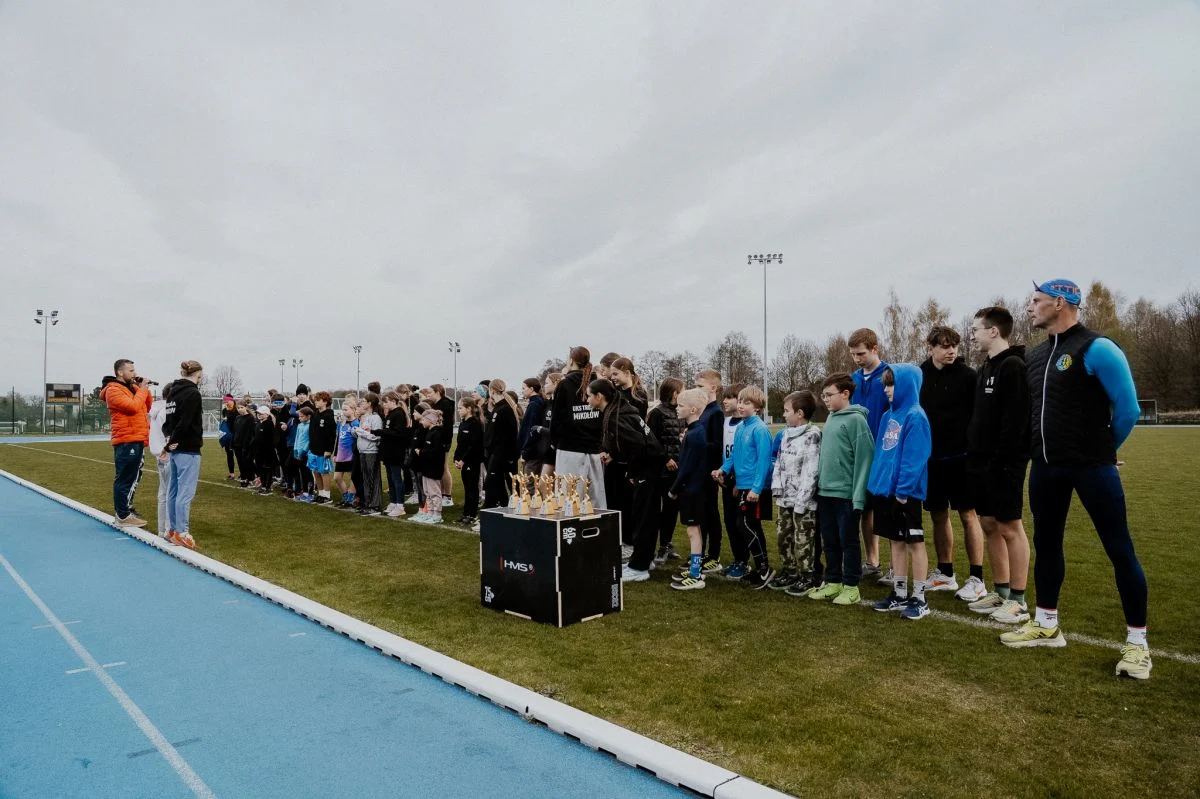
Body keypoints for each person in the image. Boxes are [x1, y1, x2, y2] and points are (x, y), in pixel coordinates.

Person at [1001, 279, 1150, 680]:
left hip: (1092, 468)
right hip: (1046, 468)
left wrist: (1103, 450)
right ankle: (1047, 624)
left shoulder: (1097, 347)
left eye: (1036, 301)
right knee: (1048, 545)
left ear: (1061, 302)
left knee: (1120, 550)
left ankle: (1138, 645)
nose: (1030, 308)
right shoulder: (1034, 358)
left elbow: (1128, 409)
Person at [965, 306, 1033, 622]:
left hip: (1004, 464)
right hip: (979, 463)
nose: (972, 335)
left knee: (1010, 527)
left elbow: (1016, 422)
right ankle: (1001, 592)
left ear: (994, 331)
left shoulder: (1014, 366)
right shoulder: (985, 368)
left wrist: (1001, 461)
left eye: (976, 329)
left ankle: (1018, 600)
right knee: (988, 524)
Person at [918, 326, 985, 595]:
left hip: (963, 459)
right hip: (932, 460)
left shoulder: (970, 377)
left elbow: (979, 416)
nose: (951, 350)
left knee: (968, 515)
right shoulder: (920, 376)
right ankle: (945, 573)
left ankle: (977, 578)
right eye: (944, 346)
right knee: (938, 515)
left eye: (954, 345)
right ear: (930, 347)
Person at [868, 365, 934, 620]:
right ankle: (899, 592)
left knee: (914, 542)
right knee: (895, 541)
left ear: (906, 385)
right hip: (885, 491)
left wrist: (903, 492)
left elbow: (914, 458)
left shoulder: (916, 416)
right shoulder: (887, 416)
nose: (886, 390)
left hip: (906, 494)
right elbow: (883, 455)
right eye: (885, 385)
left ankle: (919, 597)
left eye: (891, 384)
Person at [588, 379, 663, 583]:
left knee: (644, 516)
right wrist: (614, 454)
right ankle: (643, 560)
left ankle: (640, 567)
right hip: (648, 466)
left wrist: (632, 472)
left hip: (648, 469)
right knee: (641, 515)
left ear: (599, 397)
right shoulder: (620, 409)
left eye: (589, 395)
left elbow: (639, 445)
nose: (587, 400)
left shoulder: (617, 415)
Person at [809, 373, 874, 606]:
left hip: (846, 495)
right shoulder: (831, 417)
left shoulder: (856, 420)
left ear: (845, 394)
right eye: (823, 395)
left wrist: (858, 497)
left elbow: (864, 460)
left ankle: (851, 586)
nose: (825, 400)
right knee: (830, 540)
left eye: (829, 395)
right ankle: (833, 581)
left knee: (848, 541)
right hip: (825, 493)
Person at [714, 385, 775, 589]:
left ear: (757, 407)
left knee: (748, 525)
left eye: (746, 403)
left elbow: (764, 462)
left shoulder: (760, 429)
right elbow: (733, 456)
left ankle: (764, 568)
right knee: (744, 525)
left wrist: (756, 489)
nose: (740, 406)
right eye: (740, 401)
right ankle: (761, 567)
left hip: (754, 489)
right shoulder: (741, 427)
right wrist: (722, 469)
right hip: (742, 486)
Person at [769, 390, 823, 595]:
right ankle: (789, 571)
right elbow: (779, 463)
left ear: (799, 413)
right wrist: (777, 488)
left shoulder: (813, 435)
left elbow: (811, 470)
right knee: (783, 537)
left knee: (803, 540)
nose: (783, 414)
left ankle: (807, 576)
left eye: (786, 411)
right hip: (785, 498)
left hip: (804, 502)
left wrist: (803, 500)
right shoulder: (785, 434)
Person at [848, 328, 889, 580]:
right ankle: (872, 561)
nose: (857, 358)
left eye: (861, 353)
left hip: (883, 453)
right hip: (858, 453)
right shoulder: (853, 378)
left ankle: (895, 567)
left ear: (875, 349)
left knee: (887, 509)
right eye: (853, 354)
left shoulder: (889, 375)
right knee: (864, 508)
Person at [550, 347, 606, 509]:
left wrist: (555, 441)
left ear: (571, 361)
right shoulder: (599, 383)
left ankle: (570, 533)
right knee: (595, 500)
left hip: (569, 449)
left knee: (568, 499)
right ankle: (598, 532)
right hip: (593, 448)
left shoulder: (565, 384)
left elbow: (556, 418)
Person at [100, 359, 153, 527]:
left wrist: (144, 389)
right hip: (126, 439)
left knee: (133, 477)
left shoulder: (131, 388)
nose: (135, 373)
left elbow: (147, 406)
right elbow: (132, 407)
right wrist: (142, 390)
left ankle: (126, 510)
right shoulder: (113, 390)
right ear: (120, 373)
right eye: (131, 370)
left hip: (136, 438)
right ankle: (123, 515)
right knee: (125, 478)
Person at [668, 388, 710, 591]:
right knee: (694, 530)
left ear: (693, 409)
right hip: (692, 489)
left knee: (693, 531)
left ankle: (696, 575)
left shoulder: (695, 434)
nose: (677, 409)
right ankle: (696, 569)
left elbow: (687, 467)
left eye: (681, 406)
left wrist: (674, 488)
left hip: (693, 490)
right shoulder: (694, 431)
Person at [162, 360, 204, 549]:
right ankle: (182, 532)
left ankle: (172, 530)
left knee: (173, 491)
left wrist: (169, 442)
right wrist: (171, 442)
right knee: (185, 493)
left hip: (176, 448)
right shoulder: (193, 393)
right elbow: (185, 422)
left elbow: (168, 423)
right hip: (188, 448)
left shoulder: (172, 392)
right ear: (198, 375)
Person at [647, 377, 683, 565]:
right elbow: (652, 441)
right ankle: (654, 548)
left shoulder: (679, 413)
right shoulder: (657, 413)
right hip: (660, 470)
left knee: (671, 509)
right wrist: (665, 458)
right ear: (673, 392)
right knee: (658, 511)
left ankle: (666, 544)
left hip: (676, 470)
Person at [694, 369, 726, 575]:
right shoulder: (702, 410)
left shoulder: (716, 413)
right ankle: (703, 553)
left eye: (700, 386)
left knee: (711, 513)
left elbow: (717, 444)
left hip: (709, 471)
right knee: (702, 514)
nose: (697, 390)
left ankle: (714, 556)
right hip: (699, 469)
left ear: (713, 388)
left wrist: (697, 443)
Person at [717, 384, 749, 579]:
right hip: (727, 478)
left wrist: (738, 480)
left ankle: (745, 562)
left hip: (741, 480)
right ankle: (738, 559)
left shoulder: (744, 425)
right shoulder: (725, 422)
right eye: (725, 397)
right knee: (729, 521)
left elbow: (744, 456)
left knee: (741, 522)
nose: (725, 401)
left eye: (730, 397)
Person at [482, 379, 521, 509]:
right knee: (495, 482)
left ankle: (518, 508)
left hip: (503, 454)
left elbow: (510, 435)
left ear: (492, 390)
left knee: (507, 483)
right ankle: (503, 507)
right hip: (496, 452)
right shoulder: (498, 408)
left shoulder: (505, 409)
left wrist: (511, 456)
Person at [378, 391, 412, 518]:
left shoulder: (399, 414)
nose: (384, 404)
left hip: (396, 451)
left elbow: (398, 433)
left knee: (397, 478)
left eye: (386, 402)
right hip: (388, 451)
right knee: (391, 479)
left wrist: (380, 432)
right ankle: (393, 502)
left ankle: (400, 505)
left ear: (393, 401)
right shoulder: (391, 414)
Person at [453, 395, 485, 527]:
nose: (458, 410)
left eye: (460, 408)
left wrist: (464, 460)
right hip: (463, 462)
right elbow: (460, 444)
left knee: (472, 488)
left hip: (472, 461)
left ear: (469, 408)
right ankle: (466, 513)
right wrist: (456, 458)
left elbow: (474, 446)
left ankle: (472, 514)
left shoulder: (475, 424)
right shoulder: (463, 423)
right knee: (467, 488)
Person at [353, 392, 385, 516]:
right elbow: (362, 433)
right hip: (362, 451)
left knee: (373, 478)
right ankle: (368, 503)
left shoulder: (375, 418)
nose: (362, 403)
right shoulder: (364, 417)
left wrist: (361, 433)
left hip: (371, 451)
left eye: (365, 401)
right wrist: (356, 432)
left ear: (370, 404)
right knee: (365, 479)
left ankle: (375, 505)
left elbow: (376, 436)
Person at [412, 409, 446, 524]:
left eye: (423, 419)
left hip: (433, 469)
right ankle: (430, 512)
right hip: (426, 468)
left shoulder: (436, 434)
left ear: (430, 420)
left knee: (434, 492)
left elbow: (436, 452)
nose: (421, 422)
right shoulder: (429, 433)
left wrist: (421, 452)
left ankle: (437, 514)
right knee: (427, 491)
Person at [308, 391, 337, 504]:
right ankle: (320, 493)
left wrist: (329, 449)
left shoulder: (329, 415)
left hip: (323, 450)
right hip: (313, 449)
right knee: (316, 472)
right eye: (315, 400)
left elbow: (331, 435)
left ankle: (327, 495)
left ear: (325, 402)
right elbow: (311, 431)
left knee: (324, 472)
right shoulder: (315, 414)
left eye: (318, 400)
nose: (315, 402)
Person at [431, 384, 457, 508]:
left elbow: (446, 426)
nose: (429, 395)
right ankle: (441, 494)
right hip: (438, 441)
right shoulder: (437, 405)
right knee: (439, 468)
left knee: (444, 468)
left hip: (444, 441)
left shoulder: (445, 405)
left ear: (437, 392)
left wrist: (443, 440)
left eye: (431, 392)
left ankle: (448, 496)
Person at [148, 394, 170, 537]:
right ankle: (169, 529)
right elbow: (168, 434)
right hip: (166, 454)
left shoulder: (155, 409)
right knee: (170, 492)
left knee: (163, 492)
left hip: (158, 453)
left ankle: (162, 529)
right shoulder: (166, 411)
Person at [517, 378, 548, 474]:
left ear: (531, 389)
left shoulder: (534, 405)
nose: (522, 391)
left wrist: (526, 450)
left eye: (523, 388)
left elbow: (530, 429)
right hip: (538, 450)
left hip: (533, 452)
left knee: (529, 484)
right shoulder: (539, 402)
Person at [333, 398, 359, 507]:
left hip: (351, 454)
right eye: (343, 410)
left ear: (353, 410)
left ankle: (351, 498)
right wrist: (335, 453)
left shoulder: (356, 423)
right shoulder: (341, 423)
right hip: (341, 454)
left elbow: (358, 440)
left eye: (346, 410)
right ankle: (345, 496)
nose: (344, 412)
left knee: (353, 477)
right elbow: (338, 438)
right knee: (337, 477)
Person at [252, 405, 278, 495]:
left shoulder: (269, 424)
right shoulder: (258, 424)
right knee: (260, 469)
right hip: (258, 451)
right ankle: (263, 485)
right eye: (258, 413)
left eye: (261, 413)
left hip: (267, 452)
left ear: (267, 414)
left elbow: (271, 439)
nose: (259, 415)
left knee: (267, 469)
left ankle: (268, 486)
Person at [233, 401, 256, 487]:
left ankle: (250, 478)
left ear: (246, 407)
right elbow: (235, 431)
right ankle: (243, 477)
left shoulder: (250, 418)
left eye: (241, 407)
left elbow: (249, 433)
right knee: (240, 462)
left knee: (247, 462)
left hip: (245, 445)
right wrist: (233, 443)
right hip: (237, 444)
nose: (239, 409)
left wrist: (245, 445)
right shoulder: (238, 418)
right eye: (238, 408)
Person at [220, 395, 238, 480]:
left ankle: (245, 474)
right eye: (225, 401)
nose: (226, 403)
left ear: (232, 401)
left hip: (237, 435)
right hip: (229, 435)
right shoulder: (225, 410)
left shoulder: (237, 410)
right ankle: (232, 473)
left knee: (239, 455)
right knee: (229, 454)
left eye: (227, 401)